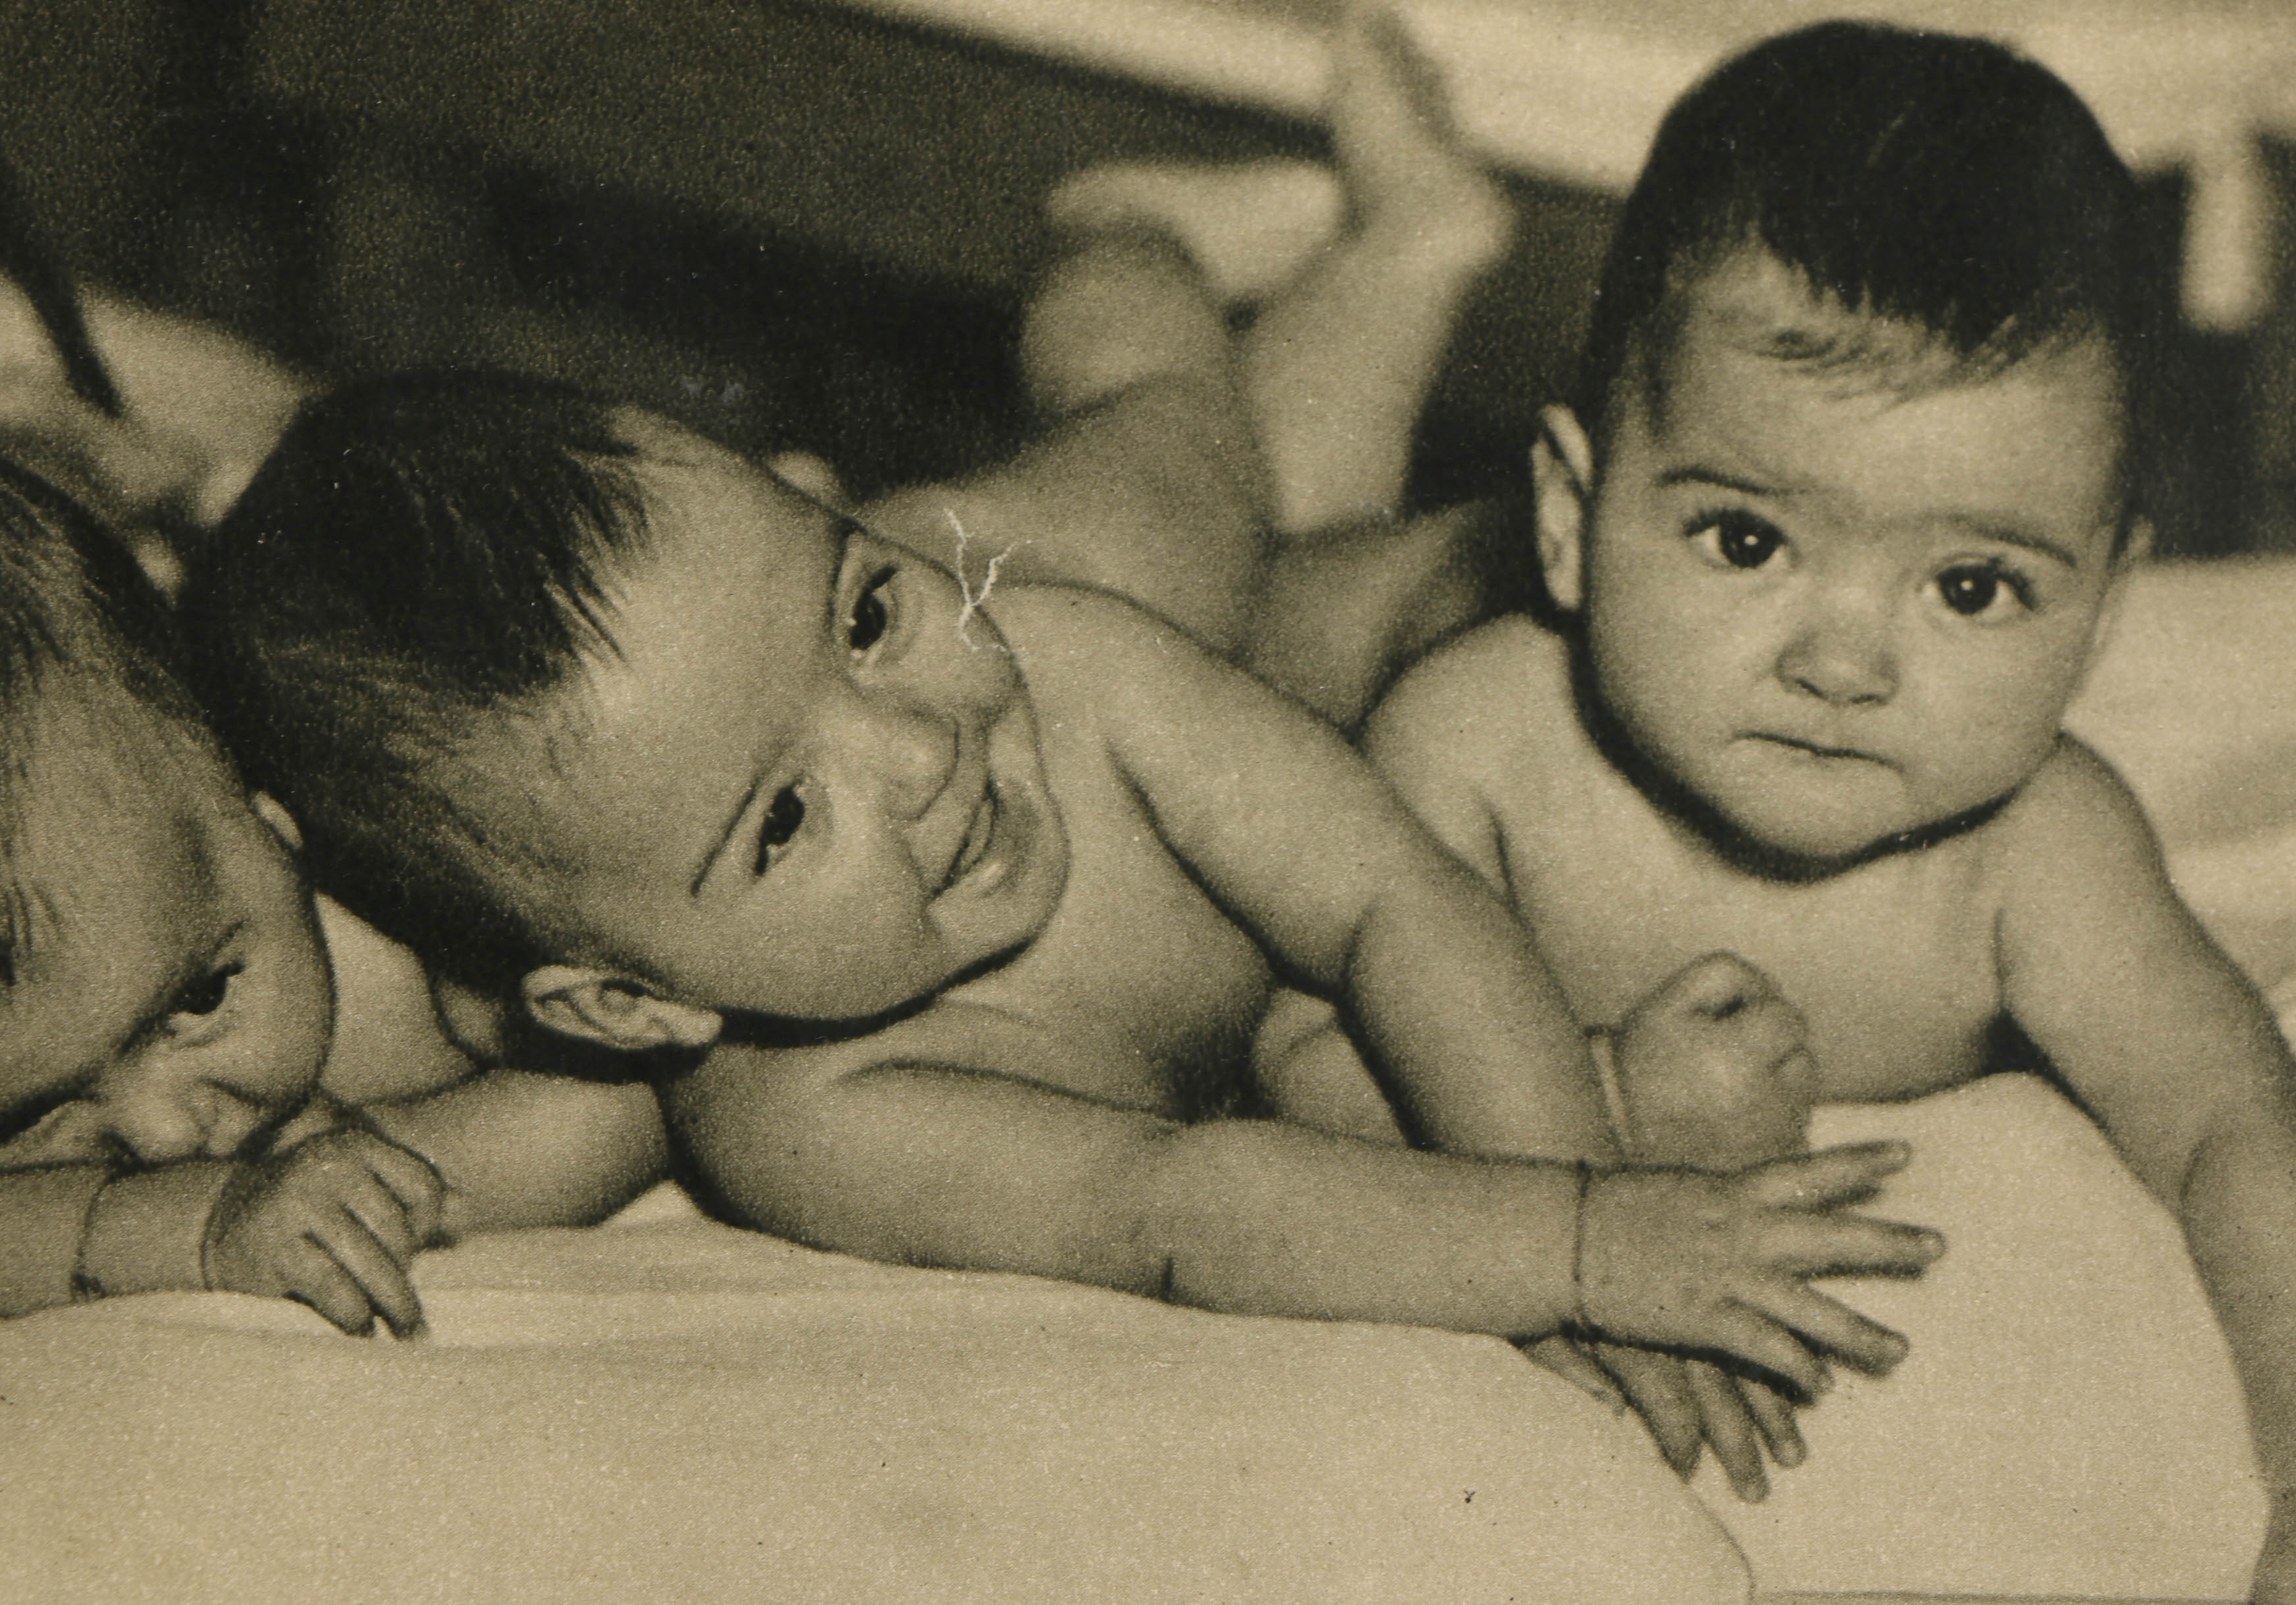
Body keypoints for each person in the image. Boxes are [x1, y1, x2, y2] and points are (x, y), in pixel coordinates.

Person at [180, 2, 1948, 1442]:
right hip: (1210, 709)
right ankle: (1410, 249)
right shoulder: (815, 1115)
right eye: (783, 823)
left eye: (858, 612)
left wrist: (1572, 1209)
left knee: (1188, 445)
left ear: (830, 511)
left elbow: (1389, 900)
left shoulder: (1054, 651)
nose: (921, 751)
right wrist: (1565, 1245)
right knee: (1311, 532)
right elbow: (1181, 1202)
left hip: (1092, 557)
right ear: (636, 1000)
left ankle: (1127, 229)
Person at [1358, 20, 2296, 1596]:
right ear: (1575, 524)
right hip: (1362, 604)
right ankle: (1356, 256)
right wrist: (1599, 1099)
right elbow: (1285, 1048)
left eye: (1974, 583)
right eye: (1744, 542)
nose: (1847, 661)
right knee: (1230, 490)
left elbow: (2234, 1124)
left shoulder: (2038, 850)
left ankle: (1406, 241)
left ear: (2106, 607)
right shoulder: (1475, 749)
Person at [0, 438, 664, 1332]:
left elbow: (647, 1096)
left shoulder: (419, 923)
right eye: (13, 1119)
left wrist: (392, 1161)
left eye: (201, 999)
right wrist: (198, 1229)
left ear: (275, 829)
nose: (163, 1134)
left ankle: (174, 481)